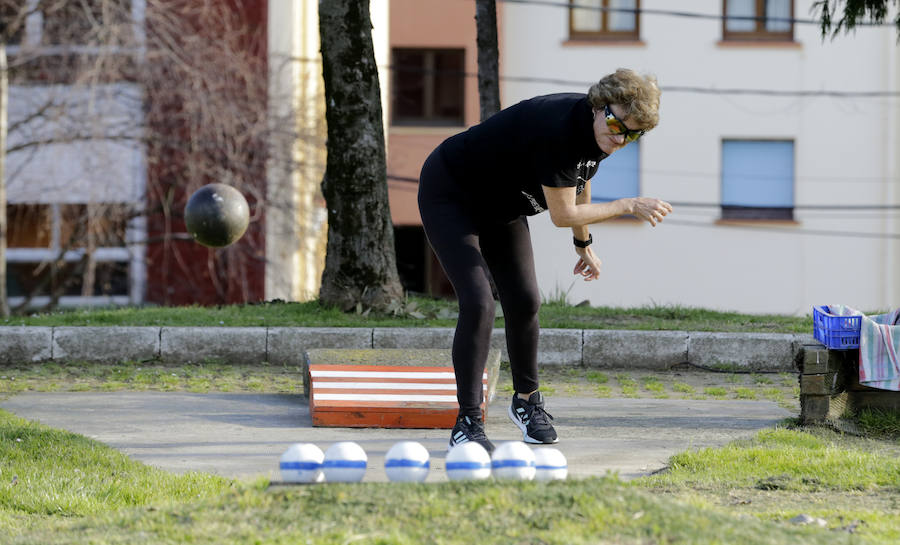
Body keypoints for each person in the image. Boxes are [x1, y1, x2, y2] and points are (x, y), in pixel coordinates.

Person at [417, 68, 672, 453]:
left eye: (633, 134)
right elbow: (562, 214)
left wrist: (583, 243)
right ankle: (468, 421)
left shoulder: (599, 134)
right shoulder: (559, 131)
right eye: (619, 126)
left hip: (501, 208)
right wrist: (628, 204)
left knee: (525, 300)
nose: (621, 140)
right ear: (599, 107)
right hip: (451, 193)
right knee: (479, 301)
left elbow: (581, 180)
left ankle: (526, 402)